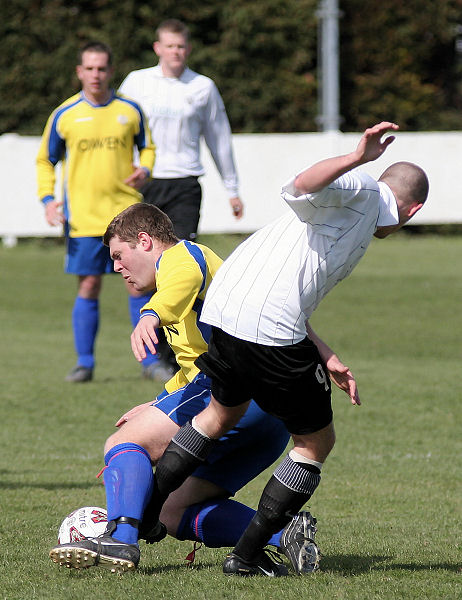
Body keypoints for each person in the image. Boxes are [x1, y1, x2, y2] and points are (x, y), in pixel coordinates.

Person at [130, 122, 429, 577]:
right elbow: (301, 183)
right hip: (265, 328)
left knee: (217, 415)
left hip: (226, 316)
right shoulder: (368, 190)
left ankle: (146, 518)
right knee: (315, 442)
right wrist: (357, 157)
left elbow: (287, 281)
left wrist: (324, 353)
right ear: (416, 208)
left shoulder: (357, 215)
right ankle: (245, 558)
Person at [49, 203, 358, 575]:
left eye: (118, 255)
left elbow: (182, 282)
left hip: (230, 395)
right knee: (173, 511)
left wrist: (150, 313)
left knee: (122, 444)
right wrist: (160, 402)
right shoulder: (199, 277)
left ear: (144, 241)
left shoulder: (183, 257)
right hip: (269, 415)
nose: (116, 267)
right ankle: (283, 533)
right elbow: (194, 362)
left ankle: (121, 538)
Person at [118, 19, 244, 376]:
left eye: (181, 46)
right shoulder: (137, 82)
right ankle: (151, 356)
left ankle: (184, 353)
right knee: (141, 264)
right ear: (158, 48)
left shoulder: (202, 87)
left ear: (188, 50)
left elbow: (219, 138)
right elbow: (119, 128)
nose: (176, 52)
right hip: (147, 184)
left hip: (186, 183)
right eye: (169, 46)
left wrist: (232, 189)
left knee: (180, 263)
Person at [36, 41, 159, 383]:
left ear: (110, 70)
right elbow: (46, 159)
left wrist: (145, 170)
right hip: (84, 218)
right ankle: (85, 363)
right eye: (89, 68)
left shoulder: (130, 110)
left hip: (127, 217)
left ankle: (150, 363)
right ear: (79, 71)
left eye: (101, 68)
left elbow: (147, 147)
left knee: (138, 287)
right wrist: (48, 200)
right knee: (89, 285)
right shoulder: (65, 114)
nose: (96, 75)